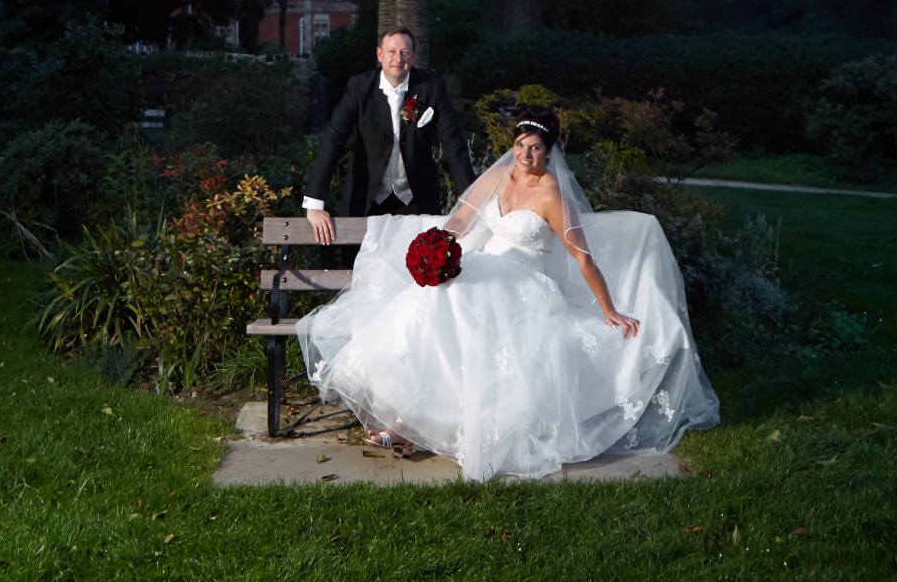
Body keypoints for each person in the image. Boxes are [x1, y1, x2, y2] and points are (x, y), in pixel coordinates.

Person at [297, 105, 720, 481]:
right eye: (520, 145)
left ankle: (414, 426)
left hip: (521, 281)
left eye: (535, 148)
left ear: (548, 152)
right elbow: (460, 220)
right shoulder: (499, 175)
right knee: (436, 294)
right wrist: (436, 251)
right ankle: (407, 423)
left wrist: (609, 310)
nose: (525, 155)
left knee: (460, 300)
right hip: (482, 264)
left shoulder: (551, 193)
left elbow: (583, 258)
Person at [302, 27, 475, 244]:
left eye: (404, 52)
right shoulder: (359, 88)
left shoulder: (432, 88)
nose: (397, 59)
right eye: (391, 52)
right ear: (379, 54)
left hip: (415, 199)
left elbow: (454, 145)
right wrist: (315, 204)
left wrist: (471, 204)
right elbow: (332, 140)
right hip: (367, 197)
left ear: (413, 57)